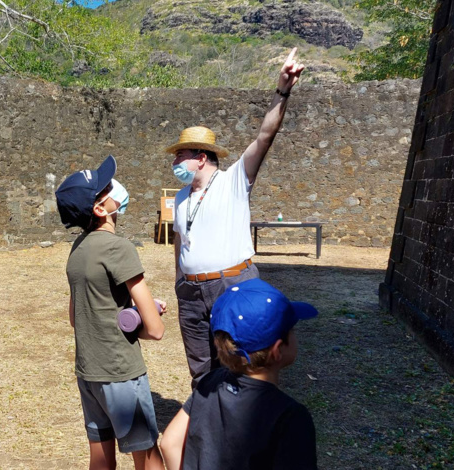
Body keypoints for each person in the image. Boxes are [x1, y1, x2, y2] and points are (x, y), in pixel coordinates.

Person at [167, 48, 305, 388]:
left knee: (242, 362)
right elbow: (179, 239)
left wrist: (282, 90)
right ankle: (208, 421)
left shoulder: (233, 180)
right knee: (200, 369)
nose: (174, 162)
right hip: (190, 291)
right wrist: (179, 279)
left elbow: (264, 137)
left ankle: (242, 427)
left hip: (232, 285)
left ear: (201, 158)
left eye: (180, 155)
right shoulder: (182, 197)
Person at [55, 155, 166, 470]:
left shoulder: (77, 249)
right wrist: (141, 321)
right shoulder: (120, 248)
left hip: (89, 372)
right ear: (100, 209)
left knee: (101, 460)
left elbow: (76, 316)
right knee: (147, 456)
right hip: (121, 371)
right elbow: (156, 330)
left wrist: (130, 312)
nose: (115, 187)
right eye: (106, 187)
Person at [160, 278, 318, 470]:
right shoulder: (290, 417)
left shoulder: (210, 382)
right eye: (292, 330)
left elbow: (169, 444)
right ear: (277, 350)